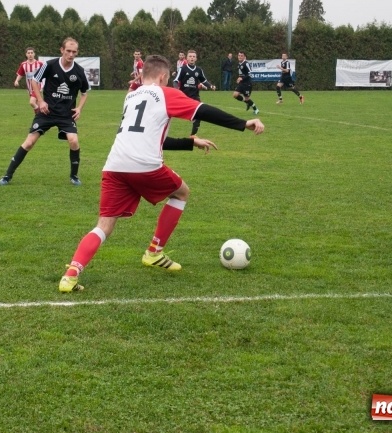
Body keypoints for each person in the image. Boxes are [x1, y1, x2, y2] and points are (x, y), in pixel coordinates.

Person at [58, 54, 265, 293]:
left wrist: (190, 143)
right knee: (181, 193)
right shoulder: (165, 93)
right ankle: (154, 252)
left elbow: (150, 137)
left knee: (103, 225)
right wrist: (243, 123)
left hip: (114, 166)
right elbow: (204, 110)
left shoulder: (131, 97)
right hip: (145, 165)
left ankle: (71, 274)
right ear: (163, 76)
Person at [0, 38, 89, 186]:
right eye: (68, 51)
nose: (71, 54)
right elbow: (35, 81)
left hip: (66, 114)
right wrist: (40, 101)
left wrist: (79, 108)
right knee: (29, 142)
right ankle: (7, 176)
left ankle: (74, 176)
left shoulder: (79, 71)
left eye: (74, 52)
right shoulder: (49, 65)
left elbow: (85, 92)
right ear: (62, 50)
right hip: (46, 112)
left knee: (73, 140)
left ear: (77, 52)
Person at [174, 49, 215, 136]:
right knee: (179, 114)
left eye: (193, 57)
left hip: (195, 96)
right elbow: (176, 80)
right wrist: (176, 89)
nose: (192, 58)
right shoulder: (183, 69)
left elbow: (204, 80)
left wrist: (210, 86)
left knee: (199, 115)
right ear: (187, 58)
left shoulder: (199, 70)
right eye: (190, 56)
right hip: (184, 96)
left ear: (196, 59)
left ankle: (193, 135)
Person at [13, 47, 44, 112]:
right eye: (28, 53)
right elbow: (20, 74)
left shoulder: (39, 64)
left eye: (31, 53)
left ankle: (40, 114)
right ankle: (40, 118)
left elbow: (45, 74)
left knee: (32, 102)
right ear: (26, 54)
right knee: (37, 104)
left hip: (37, 86)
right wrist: (16, 80)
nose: (30, 54)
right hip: (29, 88)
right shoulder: (23, 64)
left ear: (34, 54)